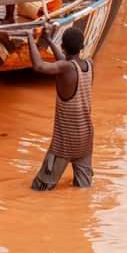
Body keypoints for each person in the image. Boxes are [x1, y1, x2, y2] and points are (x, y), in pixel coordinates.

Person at [24, 24, 94, 191]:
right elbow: (66, 61)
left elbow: (39, 66)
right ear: (82, 47)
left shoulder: (65, 68)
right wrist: (48, 39)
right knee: (83, 190)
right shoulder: (90, 65)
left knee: (39, 190)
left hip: (65, 142)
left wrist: (29, 38)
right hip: (86, 139)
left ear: (63, 46)